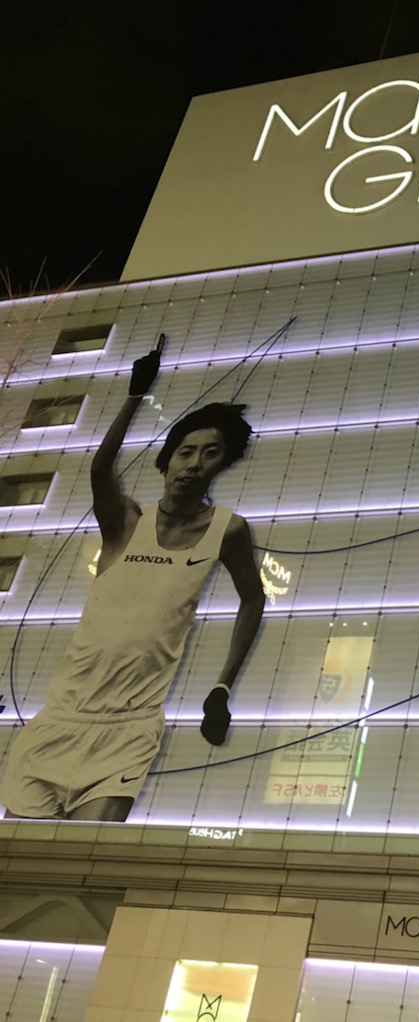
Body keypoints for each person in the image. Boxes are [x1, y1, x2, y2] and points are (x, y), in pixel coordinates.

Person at [0, 338, 265, 821]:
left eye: (210, 454)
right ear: (168, 459)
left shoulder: (227, 531)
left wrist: (222, 688)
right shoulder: (124, 523)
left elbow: (253, 600)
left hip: (129, 729)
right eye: (185, 452)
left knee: (87, 854)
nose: (194, 463)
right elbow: (101, 468)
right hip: (58, 720)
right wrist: (134, 396)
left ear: (222, 464)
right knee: (26, 858)